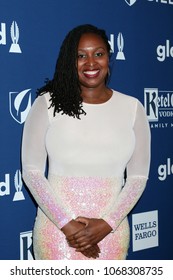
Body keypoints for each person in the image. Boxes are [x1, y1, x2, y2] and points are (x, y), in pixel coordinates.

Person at [21, 24, 151, 260]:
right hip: (57, 235)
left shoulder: (133, 109)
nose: (91, 63)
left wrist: (106, 224)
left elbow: (138, 178)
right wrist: (68, 226)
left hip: (111, 234)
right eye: (81, 56)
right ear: (70, 62)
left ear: (108, 58)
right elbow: (32, 173)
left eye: (98, 54)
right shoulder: (47, 104)